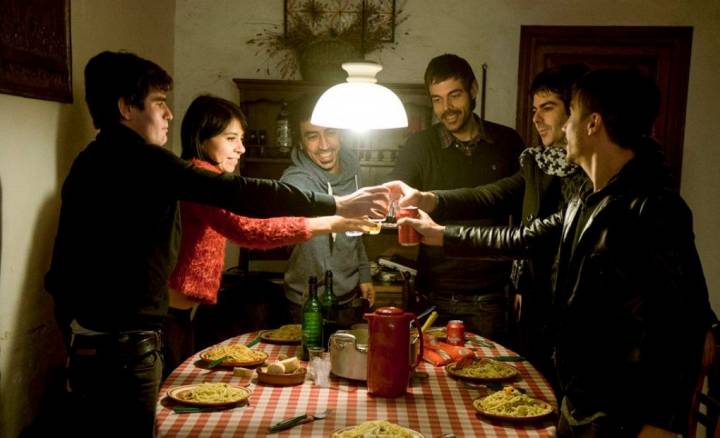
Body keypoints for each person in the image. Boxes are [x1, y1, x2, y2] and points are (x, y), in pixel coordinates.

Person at [44, 51, 388, 437]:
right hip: (124, 346)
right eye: (159, 104)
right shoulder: (148, 162)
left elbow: (60, 272)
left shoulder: (93, 159)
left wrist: (72, 333)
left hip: (105, 339)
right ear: (126, 106)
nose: (168, 115)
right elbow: (247, 207)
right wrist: (337, 207)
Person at [399, 69, 716, 437]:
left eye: (571, 116)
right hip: (579, 400)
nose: (563, 128)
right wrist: (439, 234)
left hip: (621, 412)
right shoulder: (584, 198)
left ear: (592, 124)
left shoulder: (654, 207)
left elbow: (683, 329)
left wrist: (660, 424)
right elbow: (523, 239)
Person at [385, 64, 589, 385]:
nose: (536, 118)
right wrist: (430, 200)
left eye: (547, 108)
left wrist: (442, 235)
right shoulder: (539, 163)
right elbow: (490, 195)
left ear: (584, 117)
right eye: (535, 109)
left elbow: (525, 238)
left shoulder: (592, 180)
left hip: (558, 313)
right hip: (536, 306)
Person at [162, 94, 373, 376]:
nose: (241, 148)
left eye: (242, 138)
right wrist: (334, 223)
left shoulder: (207, 178)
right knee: (173, 396)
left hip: (180, 313)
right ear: (203, 138)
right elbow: (250, 230)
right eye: (231, 138)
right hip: (166, 316)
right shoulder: (201, 179)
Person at [387, 53, 525, 340]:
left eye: (454, 95)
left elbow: (526, 216)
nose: (446, 108)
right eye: (437, 99)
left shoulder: (508, 141)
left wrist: (523, 284)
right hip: (433, 295)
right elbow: (395, 203)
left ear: (473, 89)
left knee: (491, 379)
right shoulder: (418, 146)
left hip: (491, 297)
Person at [281, 94, 375, 326]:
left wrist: (364, 274)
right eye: (312, 136)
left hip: (350, 299)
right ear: (301, 142)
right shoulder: (295, 182)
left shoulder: (354, 171)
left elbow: (357, 228)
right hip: (307, 301)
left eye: (330, 132)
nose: (324, 145)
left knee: (348, 361)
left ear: (341, 134)